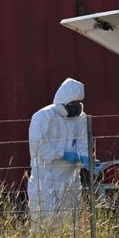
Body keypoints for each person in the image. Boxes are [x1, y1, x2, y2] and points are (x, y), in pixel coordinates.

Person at [27, 78, 89, 229]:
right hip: (46, 178)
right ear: (63, 101)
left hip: (70, 178)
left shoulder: (81, 118)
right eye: (72, 104)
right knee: (46, 223)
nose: (75, 108)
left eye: (78, 103)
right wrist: (62, 154)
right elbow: (38, 146)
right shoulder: (43, 117)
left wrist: (86, 158)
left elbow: (82, 141)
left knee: (70, 224)